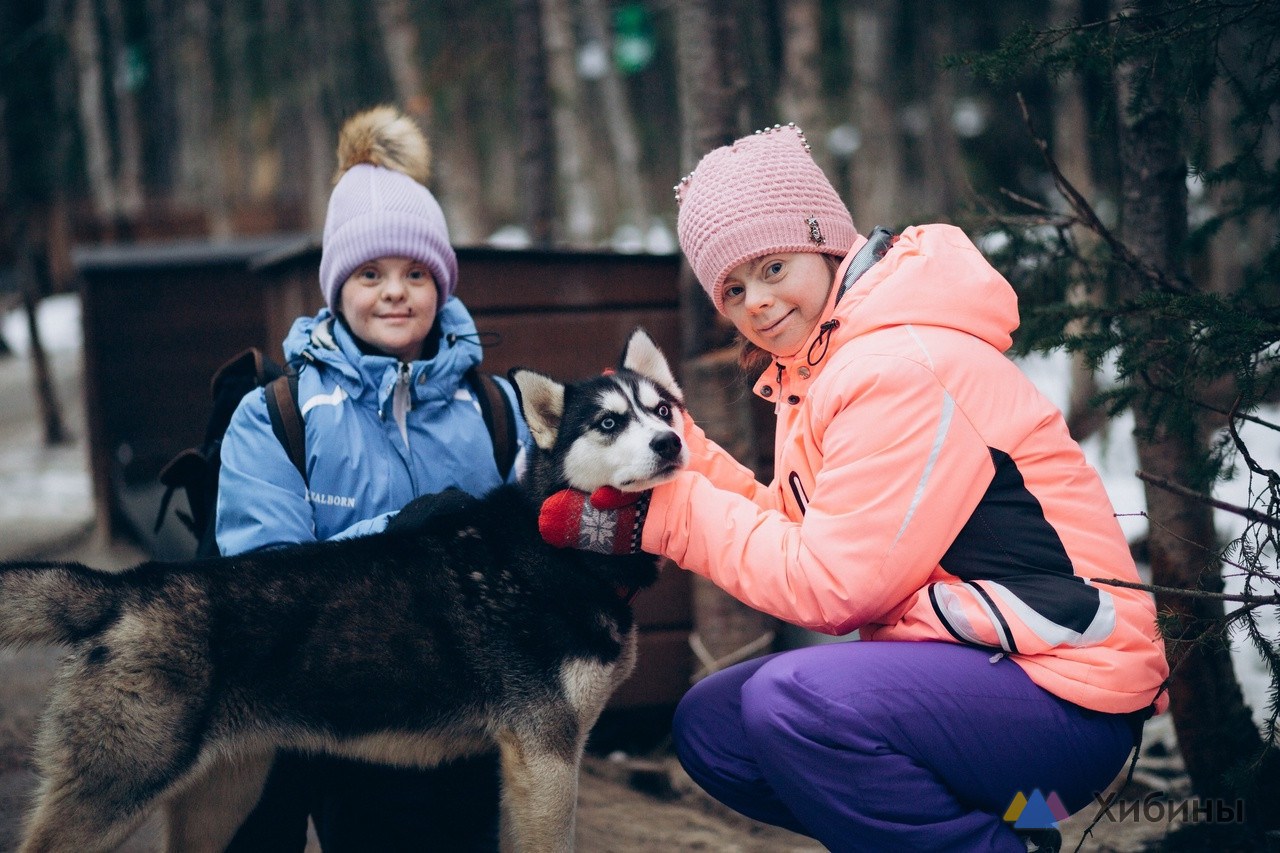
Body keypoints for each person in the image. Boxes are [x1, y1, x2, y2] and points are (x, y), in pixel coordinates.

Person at [541, 124, 1169, 852]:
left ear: (827, 242)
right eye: (734, 288)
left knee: (792, 705)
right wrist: (681, 457)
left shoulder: (898, 365)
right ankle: (998, 834)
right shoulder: (823, 370)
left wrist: (669, 514)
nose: (756, 302)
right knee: (716, 724)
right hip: (982, 690)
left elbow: (837, 586)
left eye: (774, 266)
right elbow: (799, 526)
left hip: (1066, 706)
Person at [215, 105, 528, 852]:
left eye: (417, 272)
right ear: (336, 286)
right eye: (371, 272)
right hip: (347, 714)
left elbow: (536, 545)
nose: (395, 291)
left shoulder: (495, 405)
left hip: (472, 708)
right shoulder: (280, 415)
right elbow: (265, 581)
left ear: (442, 285)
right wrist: (398, 537)